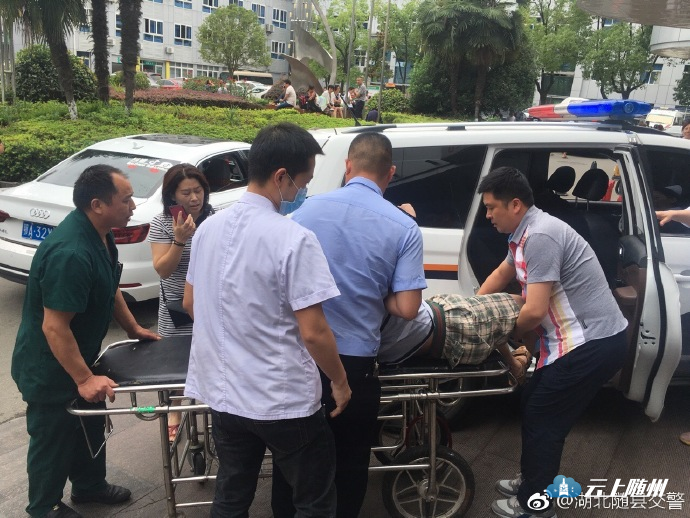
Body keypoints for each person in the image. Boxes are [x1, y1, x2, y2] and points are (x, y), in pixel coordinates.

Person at [182, 122, 351, 517]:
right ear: (281, 177)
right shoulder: (293, 238)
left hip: (226, 396)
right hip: (282, 400)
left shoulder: (207, 229)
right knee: (313, 501)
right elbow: (314, 332)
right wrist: (340, 382)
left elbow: (191, 303)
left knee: (232, 496)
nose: (303, 192)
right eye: (303, 183)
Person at [475, 167, 628, 518]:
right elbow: (501, 273)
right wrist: (474, 307)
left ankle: (536, 504)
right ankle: (534, 479)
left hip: (592, 342)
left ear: (515, 205)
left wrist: (502, 334)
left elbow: (534, 311)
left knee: (544, 416)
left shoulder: (541, 235)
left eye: (491, 207)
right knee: (533, 402)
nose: (488, 216)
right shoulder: (523, 233)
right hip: (572, 341)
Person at [288, 132, 427, 518]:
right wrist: (378, 293)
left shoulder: (304, 213)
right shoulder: (403, 226)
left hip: (300, 353)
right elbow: (409, 308)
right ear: (391, 173)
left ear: (348, 166)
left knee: (297, 460)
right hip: (355, 363)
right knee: (350, 464)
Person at [11, 165, 160, 518]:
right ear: (97, 205)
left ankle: (89, 486)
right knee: (55, 434)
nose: (133, 206)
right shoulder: (72, 253)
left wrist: (133, 328)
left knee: (90, 420)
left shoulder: (102, 235)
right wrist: (84, 378)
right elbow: (54, 328)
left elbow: (110, 286)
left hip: (81, 354)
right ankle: (44, 507)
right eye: (126, 200)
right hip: (50, 366)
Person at [149, 164, 214, 442]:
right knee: (176, 368)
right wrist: (179, 240)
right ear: (172, 195)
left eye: (198, 191)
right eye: (186, 193)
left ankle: (215, 412)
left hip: (208, 307)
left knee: (211, 361)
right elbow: (163, 270)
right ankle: (175, 410)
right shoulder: (163, 223)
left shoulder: (214, 219)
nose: (194, 198)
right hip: (176, 310)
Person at [378, 293, 533, 383]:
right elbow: (409, 309)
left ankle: (514, 364)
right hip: (450, 328)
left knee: (494, 326)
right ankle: (519, 364)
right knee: (520, 304)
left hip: (440, 323)